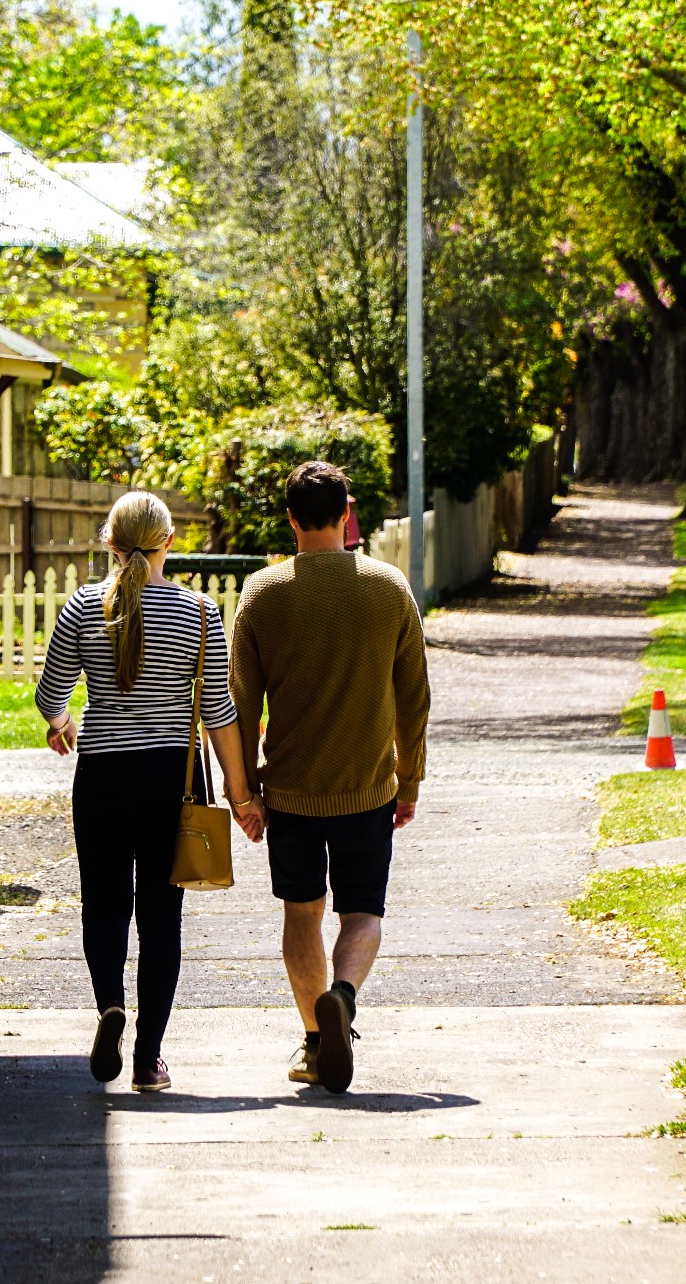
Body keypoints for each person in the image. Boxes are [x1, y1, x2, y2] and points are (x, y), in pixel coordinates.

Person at [36, 491, 260, 1092]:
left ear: (109, 543)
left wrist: (64, 725)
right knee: (162, 916)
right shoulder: (200, 612)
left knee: (104, 904)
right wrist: (242, 797)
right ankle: (147, 1059)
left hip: (103, 775)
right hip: (170, 782)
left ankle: (110, 1002)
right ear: (169, 542)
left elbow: (49, 694)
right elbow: (218, 712)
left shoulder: (81, 608)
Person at [229, 461, 430, 1094]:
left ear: (289, 518)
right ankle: (341, 996)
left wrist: (244, 794)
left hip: (290, 790)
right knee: (363, 910)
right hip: (368, 786)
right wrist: (409, 778)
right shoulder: (388, 587)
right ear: (347, 514)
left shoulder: (262, 595)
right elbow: (414, 696)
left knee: (302, 913)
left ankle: (318, 1041)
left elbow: (238, 704)